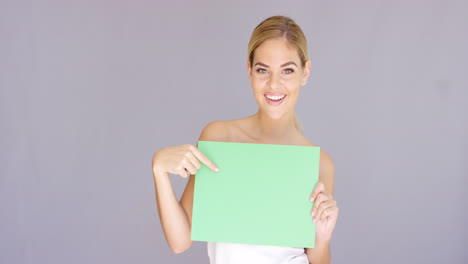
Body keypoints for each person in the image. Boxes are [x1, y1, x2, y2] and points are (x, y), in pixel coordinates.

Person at [152, 15, 339, 264]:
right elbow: (180, 240)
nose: (274, 84)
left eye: (287, 70)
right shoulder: (219, 139)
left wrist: (323, 238)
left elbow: (318, 259)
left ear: (305, 73)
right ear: (249, 70)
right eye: (263, 70)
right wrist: (159, 169)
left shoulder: (319, 163)